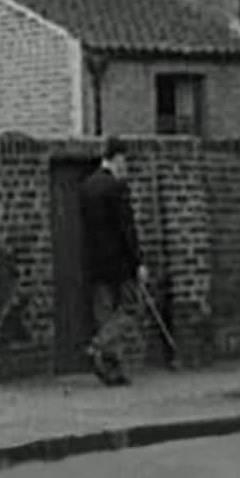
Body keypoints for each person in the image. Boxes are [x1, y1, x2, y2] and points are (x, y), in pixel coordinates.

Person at [78, 137, 148, 386]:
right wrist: (138, 261)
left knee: (104, 314)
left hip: (95, 260)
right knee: (131, 307)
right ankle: (100, 345)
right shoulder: (117, 188)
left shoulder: (86, 187)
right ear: (117, 158)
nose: (126, 166)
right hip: (119, 262)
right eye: (125, 160)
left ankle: (111, 370)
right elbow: (126, 228)